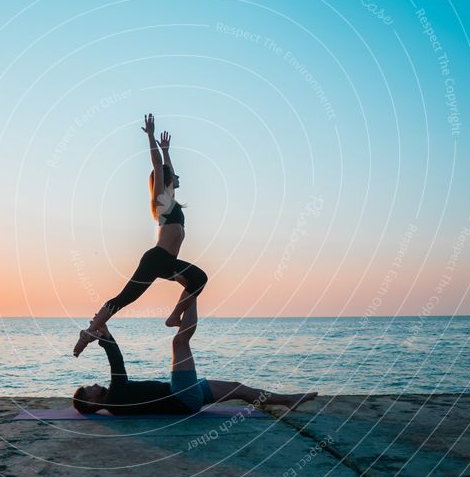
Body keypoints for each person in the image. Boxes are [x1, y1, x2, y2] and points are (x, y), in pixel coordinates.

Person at [73, 112, 208, 357]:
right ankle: (89, 332)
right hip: (156, 259)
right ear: (165, 180)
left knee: (198, 279)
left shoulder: (171, 201)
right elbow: (159, 167)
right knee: (124, 299)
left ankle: (174, 316)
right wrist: (151, 137)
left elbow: (166, 169)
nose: (178, 177)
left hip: (167, 263)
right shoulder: (161, 201)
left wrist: (167, 149)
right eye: (174, 176)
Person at [72, 302, 318, 415]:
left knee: (238, 389)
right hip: (181, 397)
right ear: (92, 404)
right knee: (179, 341)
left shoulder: (116, 402)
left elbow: (116, 361)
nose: (94, 385)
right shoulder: (115, 401)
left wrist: (104, 331)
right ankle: (192, 290)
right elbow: (117, 364)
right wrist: (104, 336)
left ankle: (288, 400)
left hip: (184, 394)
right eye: (88, 390)